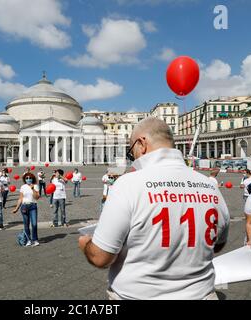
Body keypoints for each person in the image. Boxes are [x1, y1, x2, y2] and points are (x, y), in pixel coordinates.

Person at [78, 118, 230, 300]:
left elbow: (100, 257)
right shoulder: (209, 186)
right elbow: (218, 244)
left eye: (131, 150)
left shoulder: (128, 184)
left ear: (141, 144)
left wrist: (86, 243)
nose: (132, 157)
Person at [12, 172, 40, 246]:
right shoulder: (23, 187)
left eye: (30, 178)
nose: (28, 179)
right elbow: (20, 198)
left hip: (33, 206)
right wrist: (16, 208)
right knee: (26, 224)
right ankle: (28, 240)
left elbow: (37, 197)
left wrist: (33, 189)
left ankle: (35, 239)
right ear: (25, 179)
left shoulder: (35, 186)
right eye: (27, 178)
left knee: (34, 224)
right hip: (24, 206)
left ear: (32, 179)